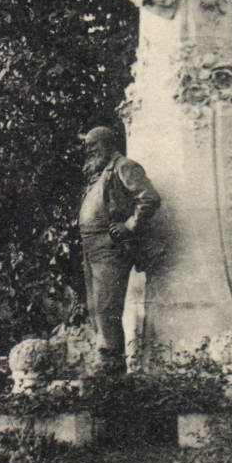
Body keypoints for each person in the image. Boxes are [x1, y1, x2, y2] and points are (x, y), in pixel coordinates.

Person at [77, 126, 162, 373]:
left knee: (107, 307)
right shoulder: (101, 173)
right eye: (88, 146)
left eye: (94, 144)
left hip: (110, 246)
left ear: (108, 143)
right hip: (91, 246)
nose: (90, 150)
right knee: (95, 307)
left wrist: (129, 225)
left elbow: (149, 198)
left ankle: (111, 369)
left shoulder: (123, 166)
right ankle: (106, 362)